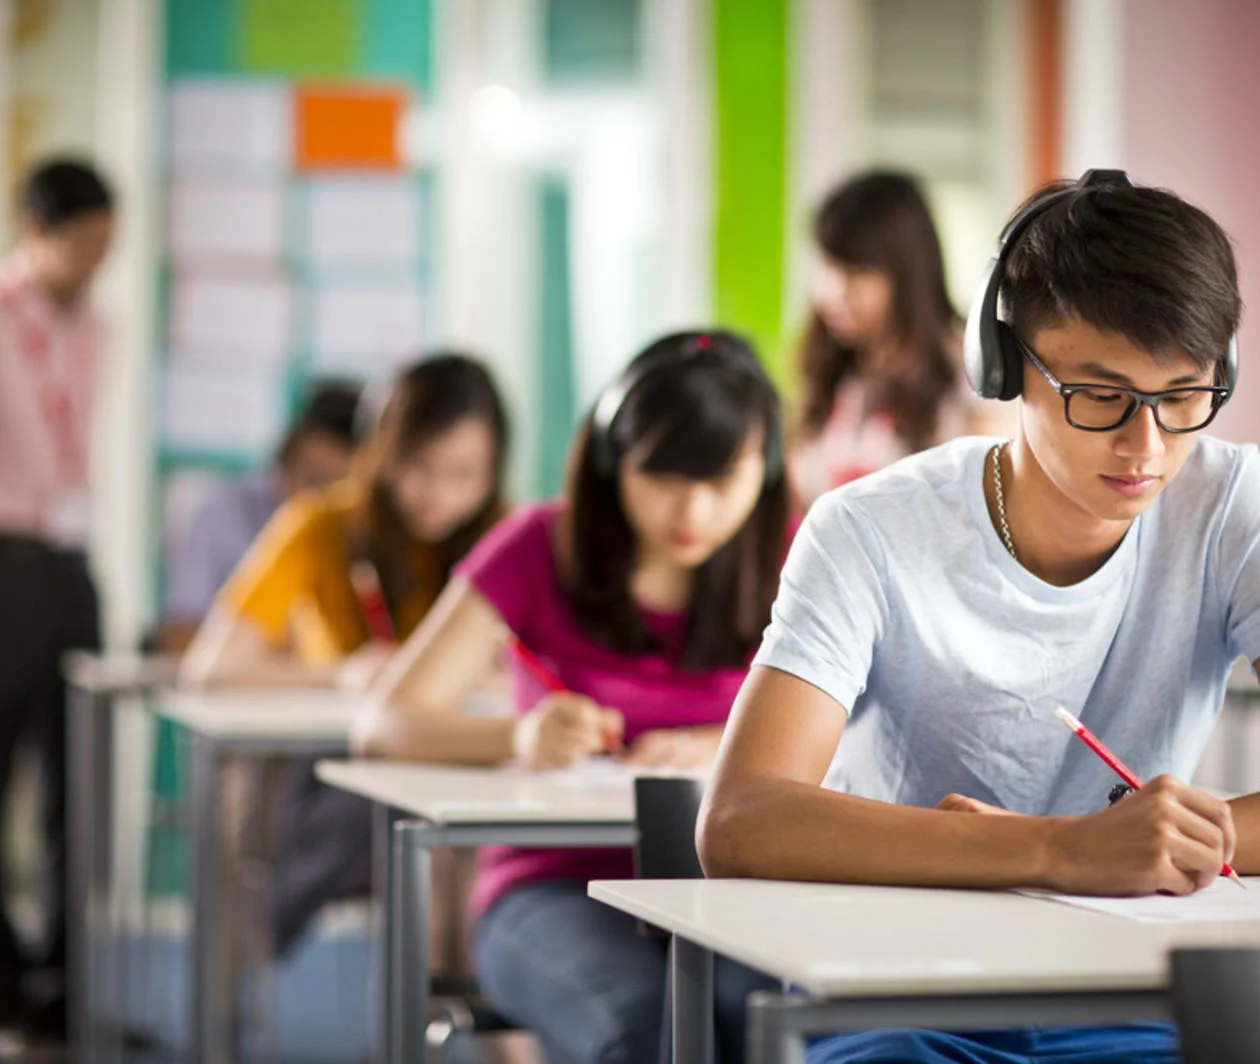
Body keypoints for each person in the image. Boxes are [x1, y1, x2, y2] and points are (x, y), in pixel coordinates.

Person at [697, 171, 1256, 1064]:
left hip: (1137, 991)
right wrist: (1064, 852)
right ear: (1004, 368)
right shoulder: (868, 530)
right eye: (1101, 395)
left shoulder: (1234, 507)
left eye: (1184, 396)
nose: (1146, 448)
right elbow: (741, 820)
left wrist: (1160, 843)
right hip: (902, 991)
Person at [357, 330, 794, 1064]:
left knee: (773, 1020)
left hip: (733, 881)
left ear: (767, 472)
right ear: (609, 459)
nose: (692, 509)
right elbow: (384, 722)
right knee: (643, 1026)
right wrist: (518, 740)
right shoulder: (537, 545)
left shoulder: (796, 554)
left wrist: (722, 747)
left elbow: (870, 732)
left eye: (722, 481)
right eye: (662, 476)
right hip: (550, 888)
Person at [181, 354, 508, 961]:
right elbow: (210, 668)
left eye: (465, 474)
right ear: (380, 451)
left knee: (465, 851)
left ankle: (455, 1015)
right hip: (340, 770)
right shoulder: (322, 525)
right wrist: (343, 673)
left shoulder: (507, 539)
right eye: (419, 467)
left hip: (469, 764)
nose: (439, 494)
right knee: (409, 827)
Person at [0, 157, 115, 1040]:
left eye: (106, 246)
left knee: (78, 775)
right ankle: (7, 981)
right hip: (5, 556)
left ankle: (67, 988)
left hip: (71, 560)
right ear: (36, 233)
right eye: (80, 245)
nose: (93, 264)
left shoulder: (99, 327)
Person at [792, 170, 1007, 505]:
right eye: (828, 266)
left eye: (855, 271)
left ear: (906, 273)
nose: (833, 291)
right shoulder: (831, 370)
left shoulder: (971, 371)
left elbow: (994, 504)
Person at [158, 381, 363, 653]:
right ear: (291, 450)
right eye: (314, 479)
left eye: (336, 488)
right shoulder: (221, 513)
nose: (316, 501)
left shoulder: (350, 528)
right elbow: (178, 636)